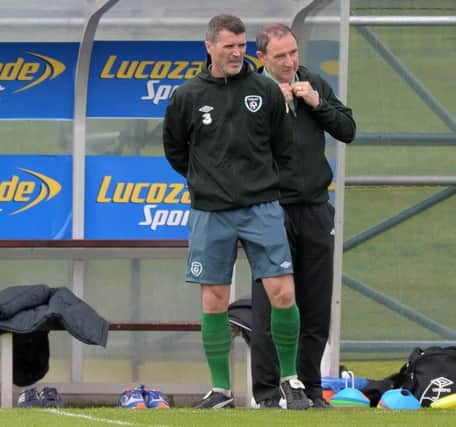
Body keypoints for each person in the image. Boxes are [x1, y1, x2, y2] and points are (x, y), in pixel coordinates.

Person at [162, 14, 309, 410]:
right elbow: (176, 151)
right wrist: (206, 181)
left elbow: (282, 146)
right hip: (211, 211)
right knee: (214, 299)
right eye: (228, 46)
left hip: (261, 207)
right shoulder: (187, 96)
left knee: (283, 291)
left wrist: (256, 181)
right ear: (209, 46)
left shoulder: (264, 89)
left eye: (242, 46)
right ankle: (221, 391)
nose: (236, 53)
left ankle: (290, 380)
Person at [250, 23, 356, 408]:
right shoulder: (250, 91)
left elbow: (347, 129)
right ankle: (267, 391)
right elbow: (234, 142)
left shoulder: (314, 83)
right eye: (280, 56)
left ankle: (310, 387)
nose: (290, 61)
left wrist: (317, 103)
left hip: (314, 207)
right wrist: (270, 106)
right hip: (269, 209)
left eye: (294, 53)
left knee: (316, 303)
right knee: (271, 302)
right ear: (262, 58)